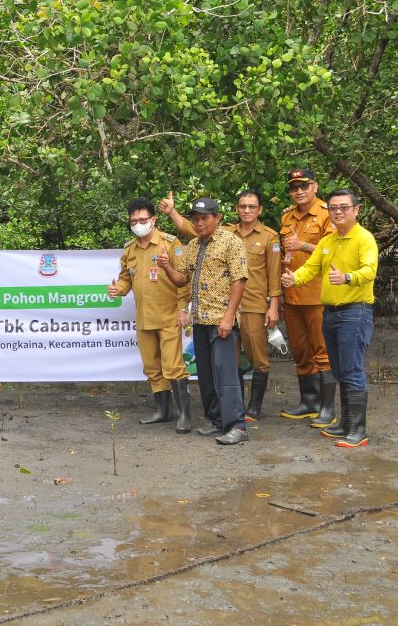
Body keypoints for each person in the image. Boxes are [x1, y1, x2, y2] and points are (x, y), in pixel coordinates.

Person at [160, 189, 282, 421]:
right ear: (236, 209)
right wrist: (172, 213)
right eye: (242, 206)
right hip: (206, 316)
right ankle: (224, 416)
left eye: (251, 206)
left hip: (250, 305)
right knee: (221, 368)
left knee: (257, 358)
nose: (246, 210)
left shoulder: (261, 237)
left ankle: (248, 411)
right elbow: (189, 231)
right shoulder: (204, 240)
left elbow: (270, 276)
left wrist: (273, 304)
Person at [282, 189, 377, 448]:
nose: (338, 212)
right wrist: (293, 279)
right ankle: (345, 423)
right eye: (334, 207)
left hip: (354, 312)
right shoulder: (328, 241)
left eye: (344, 207)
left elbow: (369, 270)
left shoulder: (364, 238)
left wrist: (347, 277)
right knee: (339, 370)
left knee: (352, 370)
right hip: (331, 312)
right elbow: (311, 268)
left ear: (356, 210)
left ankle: (358, 430)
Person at [157, 197, 250, 445]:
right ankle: (217, 421)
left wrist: (229, 318)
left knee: (226, 375)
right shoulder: (194, 245)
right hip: (199, 321)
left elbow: (239, 281)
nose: (198, 223)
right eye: (195, 219)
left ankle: (237, 427)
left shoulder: (231, 242)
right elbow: (181, 280)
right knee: (207, 376)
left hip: (222, 321)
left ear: (217, 218)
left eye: (204, 218)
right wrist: (166, 267)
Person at [107, 198, 192, 433]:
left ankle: (185, 414)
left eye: (142, 220)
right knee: (152, 367)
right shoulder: (129, 250)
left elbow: (184, 280)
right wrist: (119, 289)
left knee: (173, 367)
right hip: (144, 317)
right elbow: (126, 277)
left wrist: (183, 309)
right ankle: (164, 411)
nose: (138, 224)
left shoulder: (170, 244)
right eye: (133, 221)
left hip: (168, 316)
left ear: (153, 220)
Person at [279, 168, 338, 427]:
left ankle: (327, 408)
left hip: (317, 295)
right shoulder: (287, 217)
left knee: (322, 352)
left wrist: (302, 245)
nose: (299, 191)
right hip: (291, 295)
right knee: (301, 351)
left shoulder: (327, 214)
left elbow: (334, 252)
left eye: (304, 186)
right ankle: (309, 402)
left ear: (315, 186)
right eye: (294, 187)